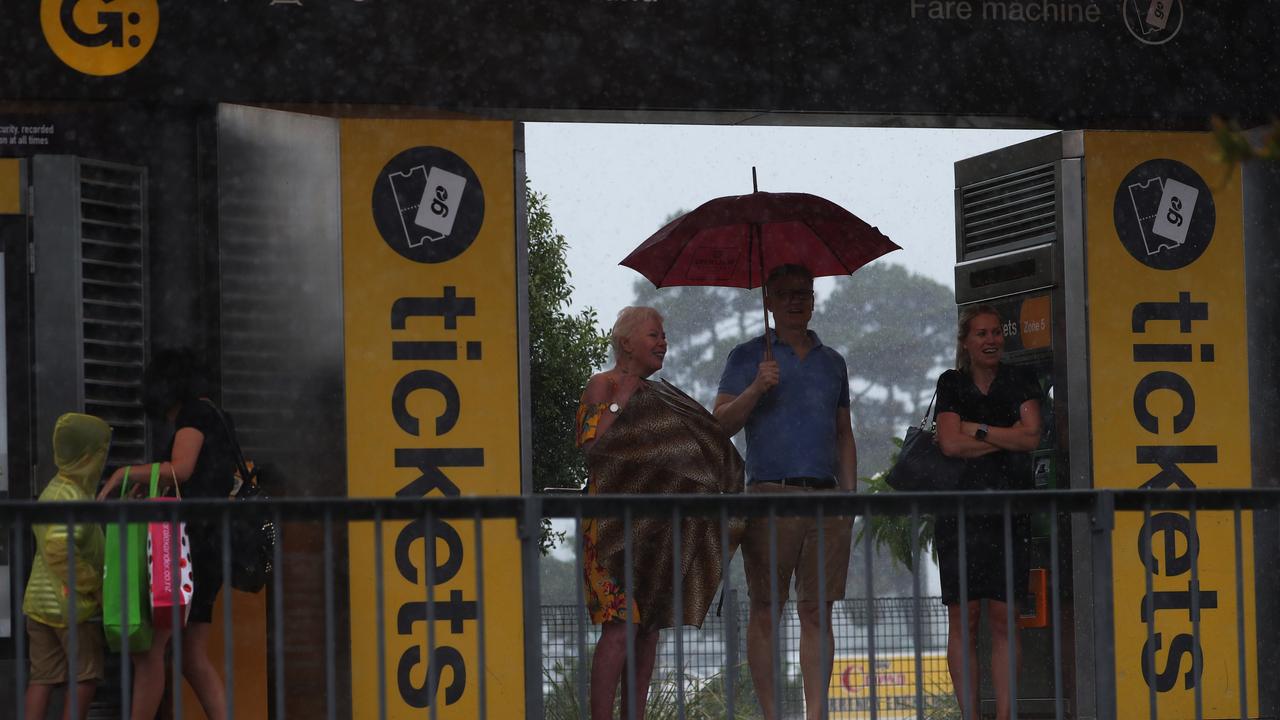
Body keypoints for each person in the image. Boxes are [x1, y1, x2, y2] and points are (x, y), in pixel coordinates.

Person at [713, 264, 857, 720]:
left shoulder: (833, 362)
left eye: (805, 293)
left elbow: (843, 433)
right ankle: (772, 714)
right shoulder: (746, 356)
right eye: (786, 293)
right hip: (768, 497)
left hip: (825, 498)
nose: (798, 300)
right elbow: (720, 425)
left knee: (817, 611)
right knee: (766, 610)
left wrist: (850, 498)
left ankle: (816, 715)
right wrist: (758, 386)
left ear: (814, 300)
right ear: (768, 302)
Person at [97, 349, 235, 720]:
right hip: (210, 546)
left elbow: (182, 469)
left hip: (186, 550)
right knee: (191, 657)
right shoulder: (217, 415)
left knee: (149, 653)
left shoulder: (194, 415)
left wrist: (125, 474)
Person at [934, 304, 1042, 720]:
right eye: (981, 333)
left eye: (996, 332)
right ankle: (970, 716)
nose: (991, 340)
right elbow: (949, 444)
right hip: (958, 513)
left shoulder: (1020, 379)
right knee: (965, 616)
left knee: (1004, 617)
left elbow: (1031, 436)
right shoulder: (952, 383)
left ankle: (1005, 716)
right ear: (965, 342)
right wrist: (1006, 437)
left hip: (1009, 509)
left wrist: (975, 429)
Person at [575, 306, 669, 720]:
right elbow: (592, 450)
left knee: (647, 629)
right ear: (627, 342)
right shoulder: (602, 385)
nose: (663, 342)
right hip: (610, 523)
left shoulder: (662, 396)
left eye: (664, 336)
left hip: (653, 525)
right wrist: (620, 402)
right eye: (654, 335)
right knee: (620, 625)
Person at [24, 413, 111, 720]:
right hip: (71, 605)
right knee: (84, 678)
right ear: (88, 457)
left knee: (42, 678)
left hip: (38, 604)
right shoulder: (71, 495)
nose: (104, 460)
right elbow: (59, 549)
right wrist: (95, 586)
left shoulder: (55, 488)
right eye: (102, 453)